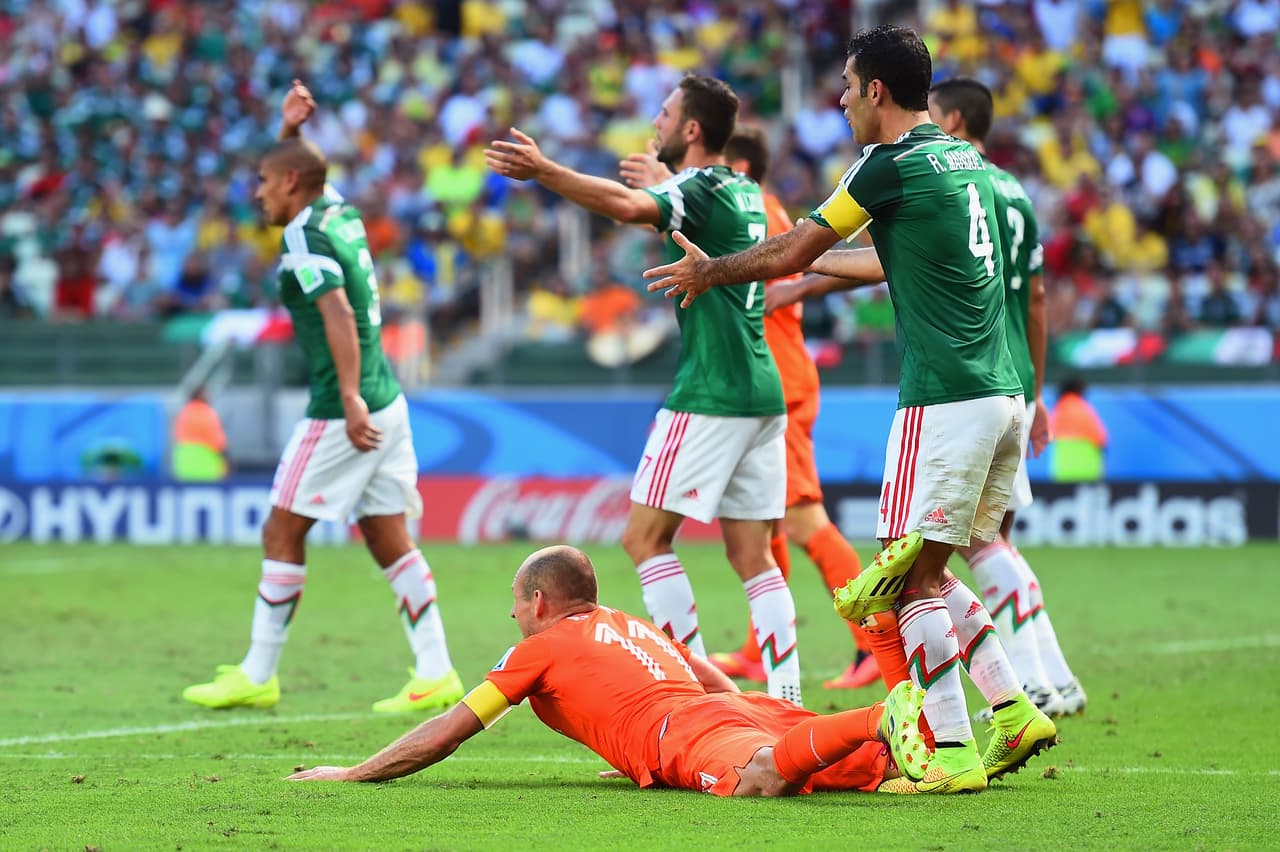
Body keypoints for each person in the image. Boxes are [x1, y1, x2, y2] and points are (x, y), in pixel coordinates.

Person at [640, 26, 1057, 792]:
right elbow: (897, 258)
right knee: (927, 570)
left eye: (845, 84)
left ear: (875, 91)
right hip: (1002, 394)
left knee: (900, 582)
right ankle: (1013, 709)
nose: (837, 100)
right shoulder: (975, 165)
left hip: (946, 397)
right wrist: (813, 259)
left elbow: (793, 245)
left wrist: (717, 271)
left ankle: (954, 754)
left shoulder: (886, 164)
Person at [486, 76, 802, 705]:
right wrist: (661, 181)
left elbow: (631, 209)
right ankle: (787, 700)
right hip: (762, 391)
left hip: (709, 393)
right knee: (754, 557)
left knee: (644, 539)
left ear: (691, 130)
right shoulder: (744, 189)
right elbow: (676, 208)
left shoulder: (699, 185)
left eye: (664, 112)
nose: (654, 120)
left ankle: (692, 700)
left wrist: (546, 169)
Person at [183, 81, 462, 714]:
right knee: (388, 535)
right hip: (385, 397)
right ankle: (437, 670)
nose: (256, 192)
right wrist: (288, 133)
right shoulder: (336, 209)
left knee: (282, 528)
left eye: (262, 180)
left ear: (287, 184)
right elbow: (306, 169)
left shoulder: (304, 237)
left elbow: (335, 312)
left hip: (346, 407)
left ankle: (257, 672)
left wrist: (345, 394)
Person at [288, 545, 939, 796]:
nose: (513, 616)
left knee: (758, 779)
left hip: (686, 733)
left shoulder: (538, 647)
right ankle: (893, 681)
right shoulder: (630, 622)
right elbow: (712, 679)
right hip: (737, 710)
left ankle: (881, 709)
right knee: (883, 770)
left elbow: (447, 733)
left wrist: (352, 771)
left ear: (538, 602)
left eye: (516, 604)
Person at [620, 127, 880, 691]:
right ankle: (761, 655)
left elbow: (818, 266)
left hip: (770, 379)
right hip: (774, 376)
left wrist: (797, 290)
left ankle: (874, 643)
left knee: (802, 518)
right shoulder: (762, 208)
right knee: (761, 532)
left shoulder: (746, 202)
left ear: (729, 161)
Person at [926, 78, 1086, 719]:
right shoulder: (1017, 190)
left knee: (977, 540)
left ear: (956, 119)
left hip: (976, 374)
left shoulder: (966, 184)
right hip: (1018, 372)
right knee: (997, 539)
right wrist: (1040, 389)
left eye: (931, 116)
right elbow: (1038, 300)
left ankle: (1032, 684)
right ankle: (1055, 677)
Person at [1049, 376, 1108, 483]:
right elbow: (1101, 437)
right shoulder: (1082, 408)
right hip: (1087, 469)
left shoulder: (1058, 410)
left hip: (1063, 470)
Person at [171, 385, 228, 482]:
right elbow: (218, 441)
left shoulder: (183, 413)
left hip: (183, 464)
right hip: (206, 465)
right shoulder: (207, 413)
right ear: (201, 395)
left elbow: (176, 436)